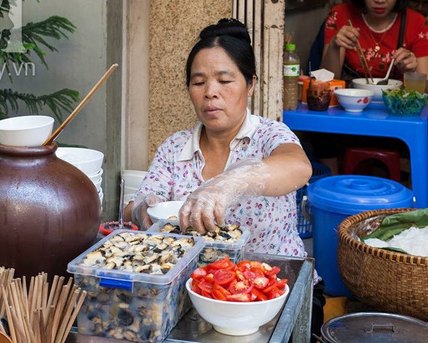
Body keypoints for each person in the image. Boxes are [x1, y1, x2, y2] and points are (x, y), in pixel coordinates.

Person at [123, 19, 325, 338]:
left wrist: (232, 182)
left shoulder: (269, 136)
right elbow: (138, 207)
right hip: (197, 295)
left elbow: (298, 167)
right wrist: (143, 211)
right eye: (198, 81)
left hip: (272, 292)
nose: (210, 93)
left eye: (225, 80)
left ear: (251, 84)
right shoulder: (175, 147)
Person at [316, 0, 428, 163]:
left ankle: (411, 173)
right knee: (317, 103)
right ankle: (331, 175)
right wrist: (335, 45)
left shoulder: (417, 24)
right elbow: (325, 79)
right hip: (351, 115)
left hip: (395, 118)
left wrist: (412, 71)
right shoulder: (341, 16)